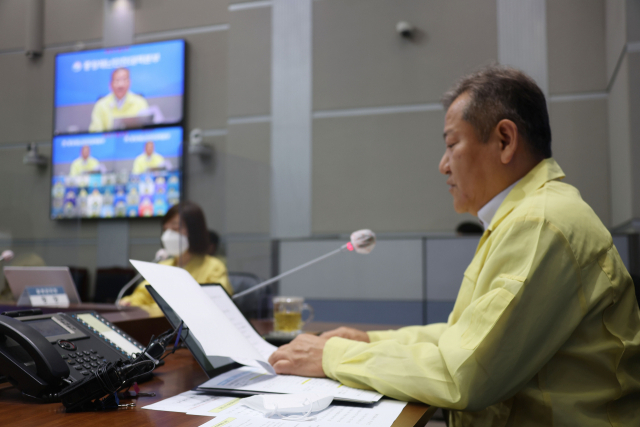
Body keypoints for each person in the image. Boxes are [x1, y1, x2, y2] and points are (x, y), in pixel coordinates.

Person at [268, 65, 640, 426]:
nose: (443, 165)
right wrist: (368, 339)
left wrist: (332, 355)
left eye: (451, 144)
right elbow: (460, 336)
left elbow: (464, 374)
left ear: (505, 140)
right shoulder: (524, 216)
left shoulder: (541, 222)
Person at [120, 201, 232, 316]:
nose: (168, 235)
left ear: (195, 231)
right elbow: (142, 295)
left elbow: (213, 307)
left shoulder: (214, 267)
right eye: (165, 229)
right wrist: (128, 303)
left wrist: (149, 310)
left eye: (175, 229)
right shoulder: (163, 266)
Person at [89, 68, 149, 133]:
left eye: (124, 80)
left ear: (129, 82)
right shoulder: (101, 104)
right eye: (117, 80)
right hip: (109, 142)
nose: (120, 85)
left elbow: (147, 130)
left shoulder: (140, 102)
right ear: (110, 84)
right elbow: (95, 133)